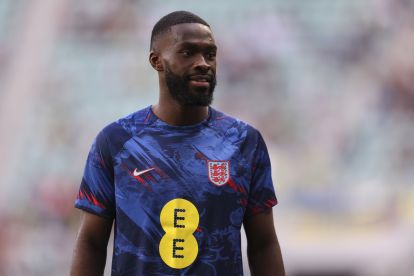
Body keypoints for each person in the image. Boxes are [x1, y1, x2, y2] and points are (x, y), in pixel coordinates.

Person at [70, 10, 285, 276]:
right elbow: (92, 241)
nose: (203, 63)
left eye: (210, 54)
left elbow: (263, 244)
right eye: (188, 53)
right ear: (156, 61)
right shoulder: (116, 141)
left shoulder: (244, 142)